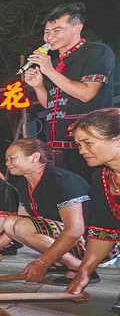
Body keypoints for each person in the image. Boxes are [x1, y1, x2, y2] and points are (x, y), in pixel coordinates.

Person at [23, 3, 116, 182]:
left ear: (77, 28)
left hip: (89, 145)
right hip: (57, 147)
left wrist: (50, 71)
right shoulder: (54, 63)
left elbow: (87, 93)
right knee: (66, 194)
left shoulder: (97, 51)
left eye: (57, 30)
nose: (49, 37)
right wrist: (38, 85)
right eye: (46, 32)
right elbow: (51, 105)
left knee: (93, 190)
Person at [0, 138, 93, 285]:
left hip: (92, 241)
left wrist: (42, 262)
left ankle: (80, 267)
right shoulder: (23, 184)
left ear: (34, 157)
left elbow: (75, 229)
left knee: (21, 225)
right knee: (11, 222)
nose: (7, 163)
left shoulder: (61, 180)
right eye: (6, 159)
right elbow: (16, 223)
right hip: (68, 239)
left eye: (12, 158)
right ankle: (61, 262)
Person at [64, 109, 120, 298]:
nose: (82, 151)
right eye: (78, 145)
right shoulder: (102, 178)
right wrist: (84, 272)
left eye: (88, 143)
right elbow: (105, 230)